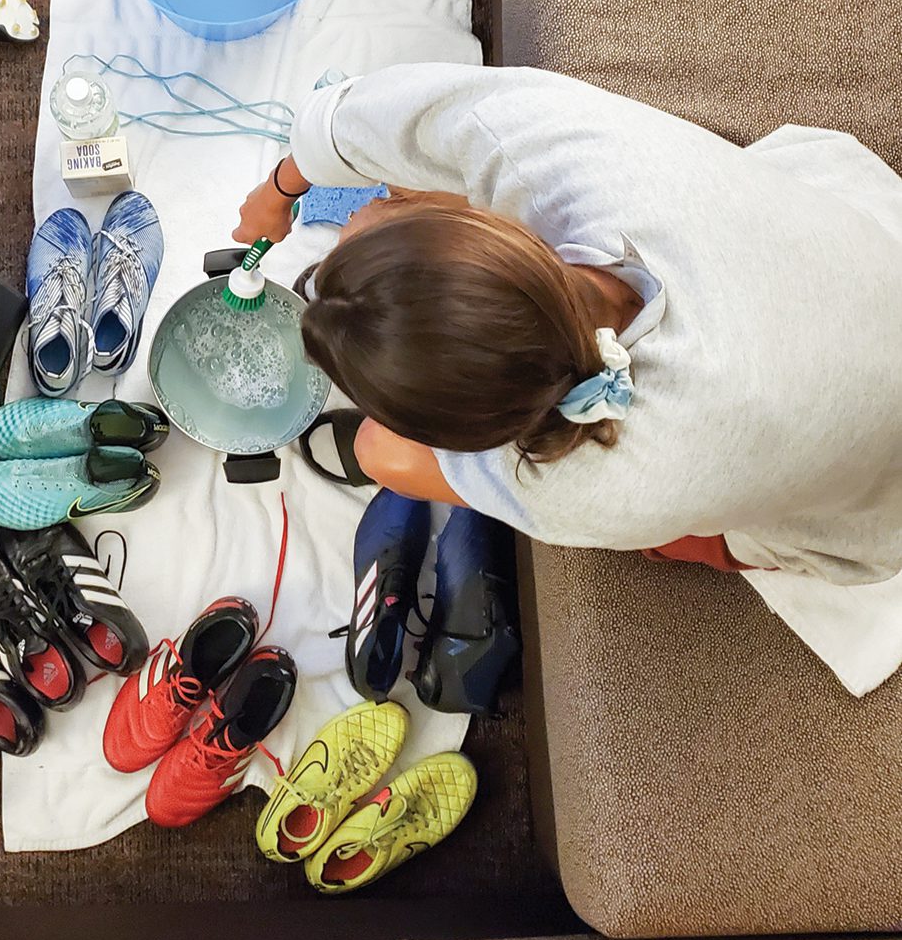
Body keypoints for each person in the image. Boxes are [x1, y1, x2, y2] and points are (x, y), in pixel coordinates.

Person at [233, 63, 902, 585]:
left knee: (380, 453)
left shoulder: (586, 487)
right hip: (870, 254)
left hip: (869, 517)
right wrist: (280, 188)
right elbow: (365, 114)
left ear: (477, 428)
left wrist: (285, 192)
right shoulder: (563, 156)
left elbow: (390, 444)